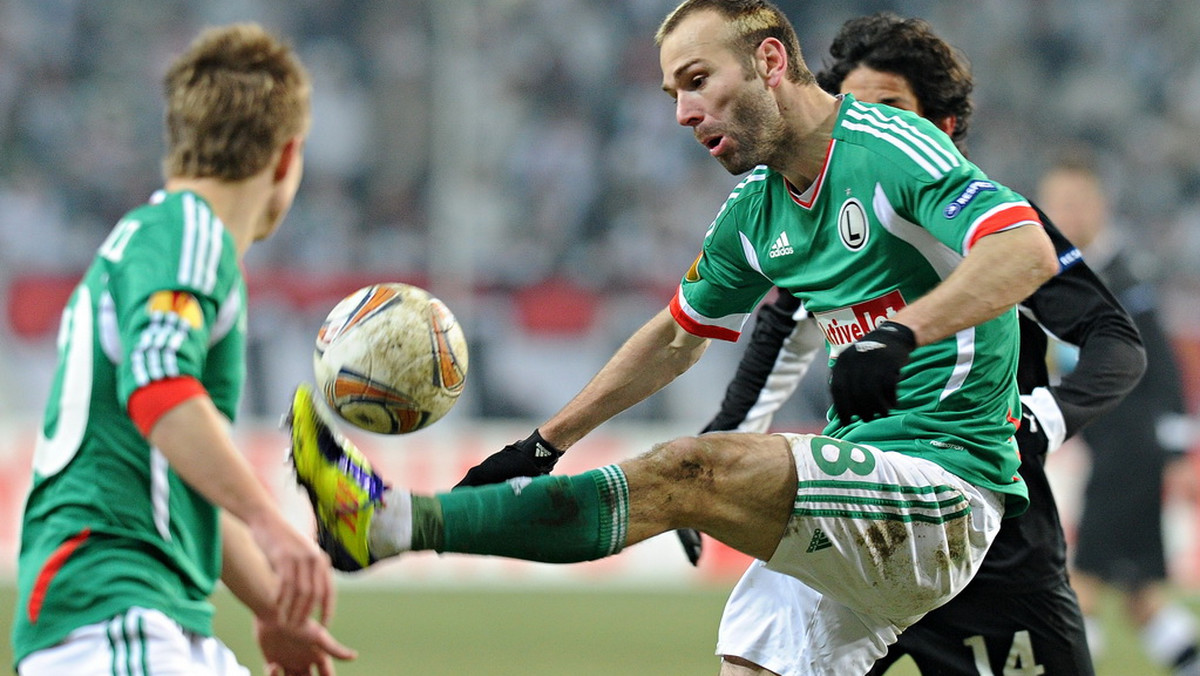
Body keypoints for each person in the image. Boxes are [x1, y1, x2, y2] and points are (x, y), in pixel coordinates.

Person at [288, 1, 1060, 673]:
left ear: (768, 61)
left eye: (697, 82)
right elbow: (676, 336)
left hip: (945, 482)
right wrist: (545, 443)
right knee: (750, 666)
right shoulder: (756, 212)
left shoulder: (888, 145)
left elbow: (1025, 248)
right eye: (671, 94)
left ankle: (392, 522)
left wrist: (902, 334)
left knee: (692, 472)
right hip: (869, 487)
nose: (684, 114)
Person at [678, 14, 1148, 676]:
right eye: (856, 109)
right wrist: (713, 457)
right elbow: (774, 345)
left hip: (992, 530)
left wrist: (1043, 418)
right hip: (872, 520)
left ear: (944, 126)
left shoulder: (999, 231)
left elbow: (1115, 342)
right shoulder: (824, 233)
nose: (869, 126)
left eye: (891, 107)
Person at [11, 24, 355, 676]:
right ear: (287, 157)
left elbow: (183, 469)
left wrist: (275, 610)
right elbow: (160, 389)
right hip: (114, 606)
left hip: (133, 615)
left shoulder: (162, 243)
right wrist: (270, 523)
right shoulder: (188, 235)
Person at [1038, 152, 1200, 675]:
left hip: (1130, 449)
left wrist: (1173, 448)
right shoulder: (1057, 274)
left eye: (1078, 202)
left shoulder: (1125, 278)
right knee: (1140, 596)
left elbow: (1166, 371)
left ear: (1100, 207)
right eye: (1058, 202)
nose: (1067, 212)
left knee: (1078, 584)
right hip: (1113, 448)